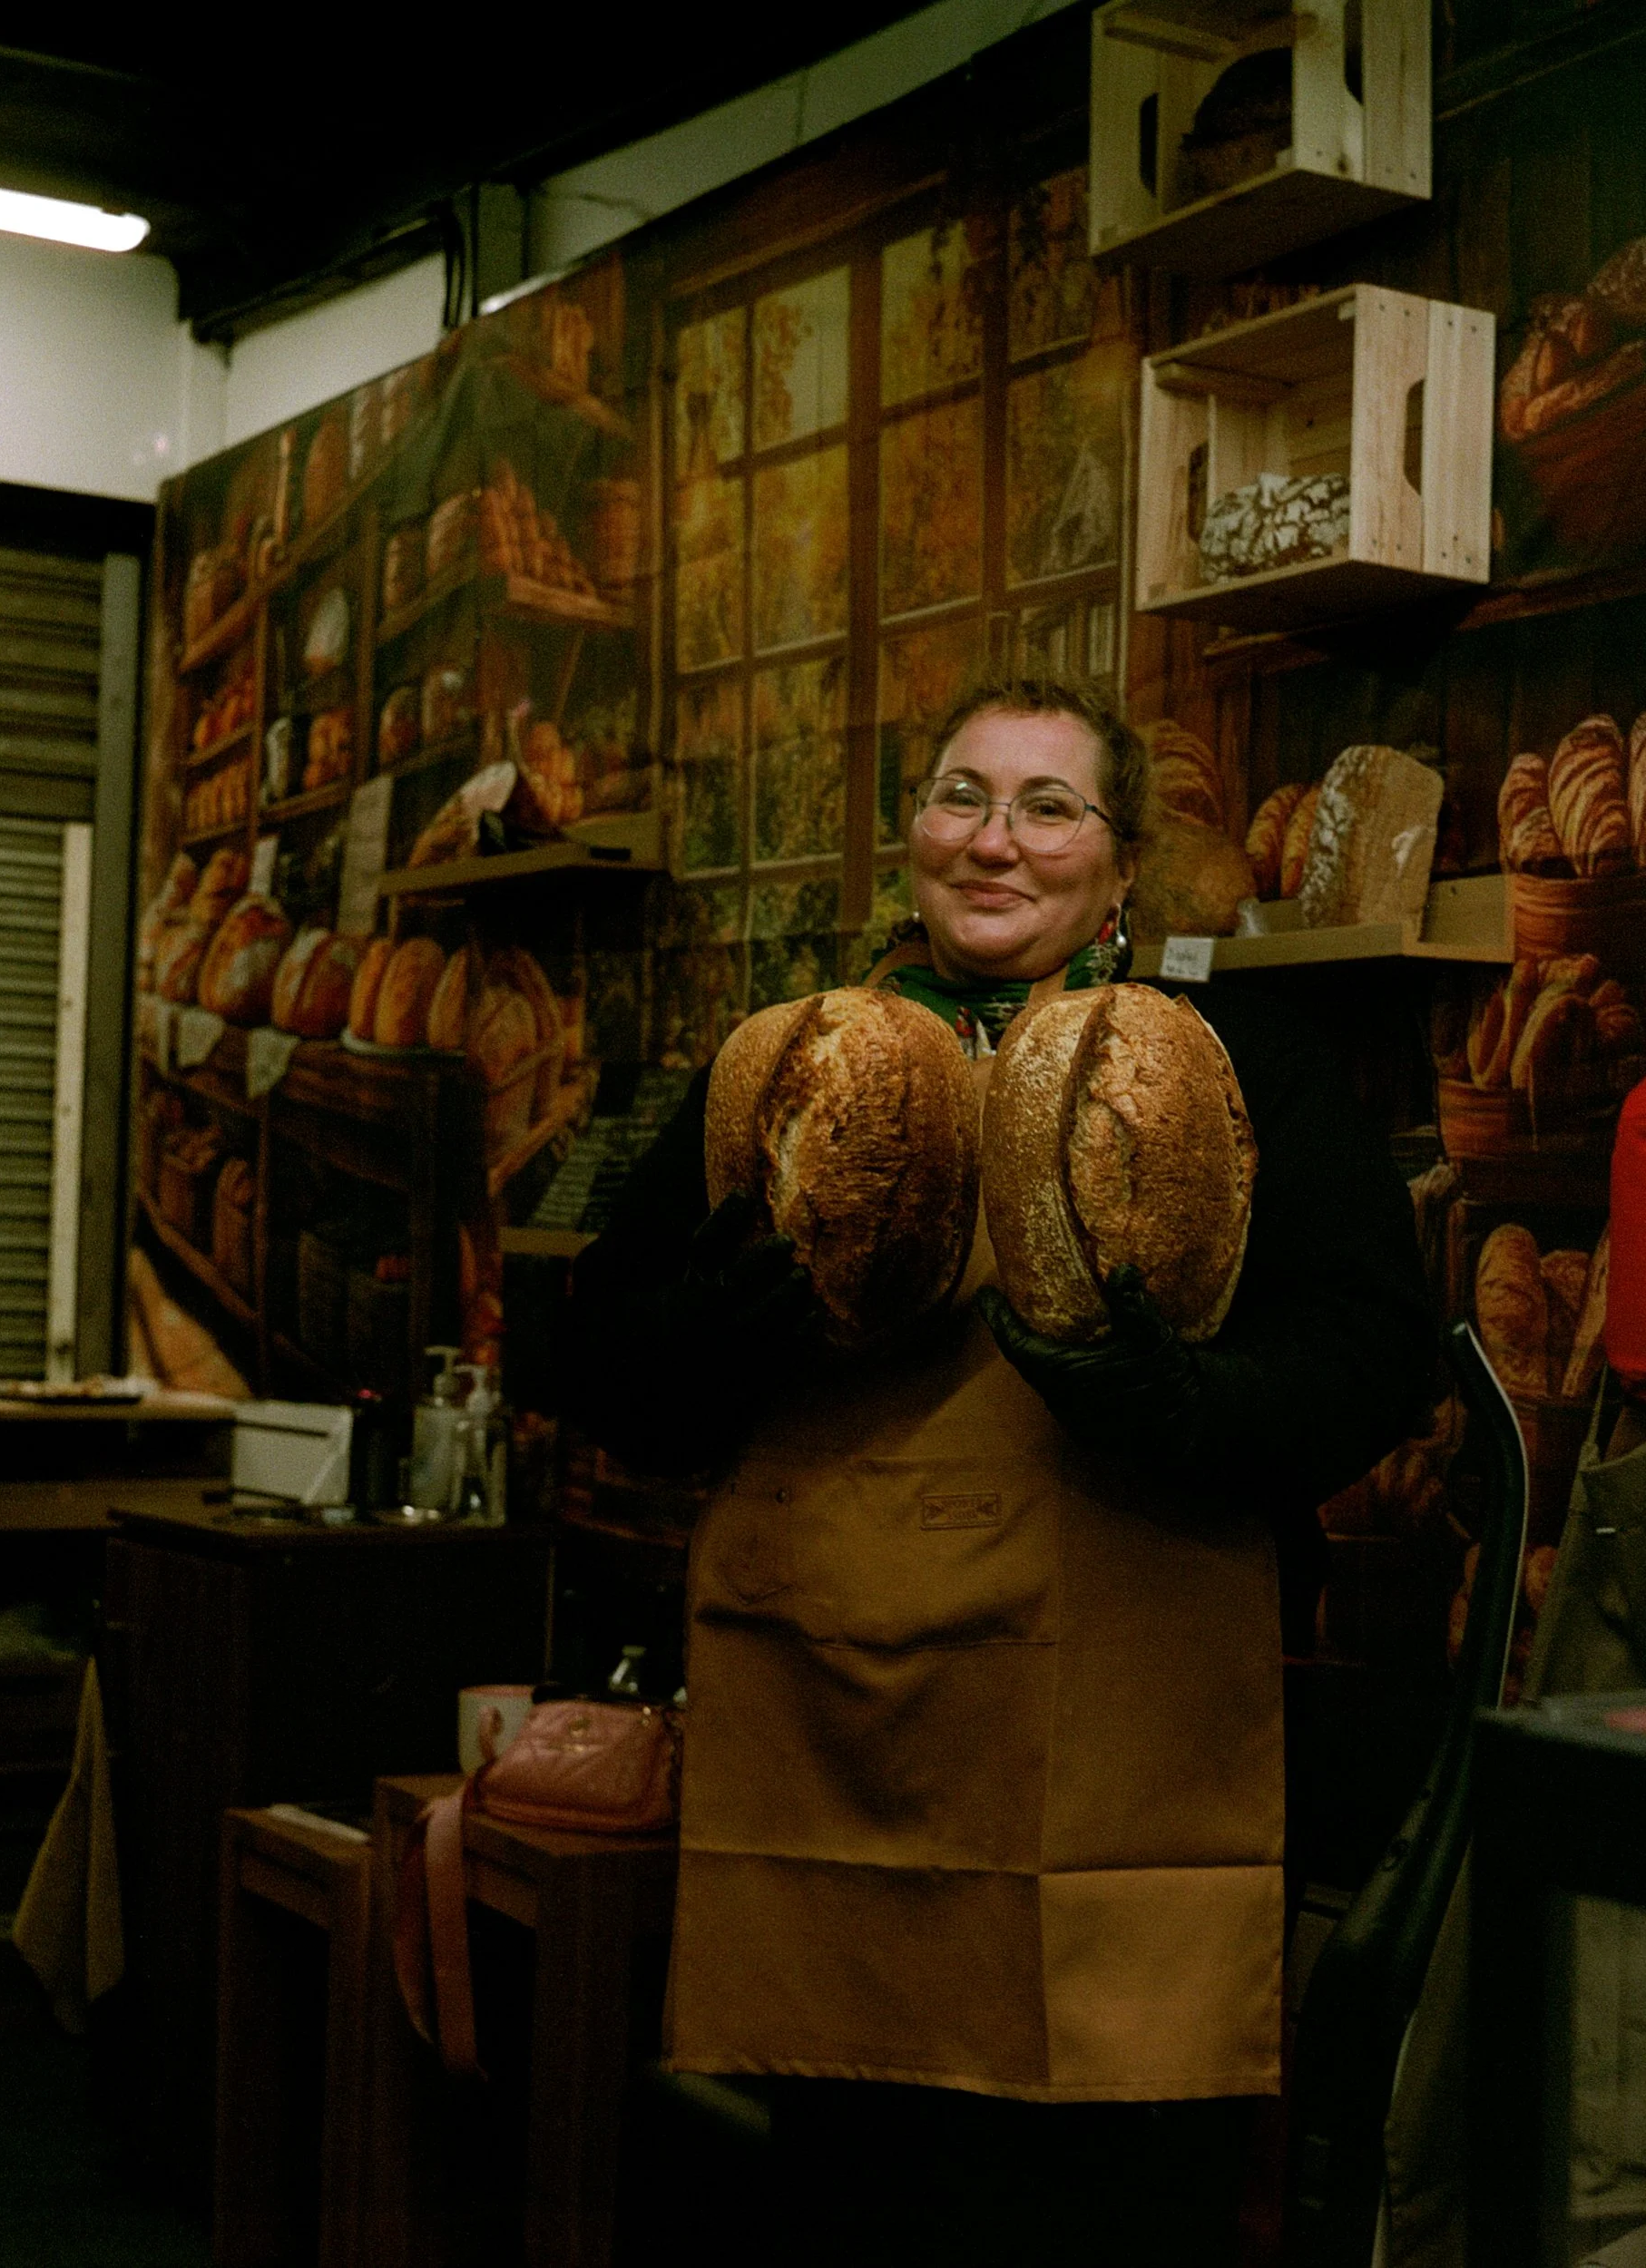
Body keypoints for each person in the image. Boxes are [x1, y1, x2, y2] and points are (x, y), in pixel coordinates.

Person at [563, 674, 1435, 2265]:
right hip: (836, 1740)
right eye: (962, 797)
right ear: (909, 835)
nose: (996, 842)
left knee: (1099, 2221)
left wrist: (1194, 1405)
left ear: (1120, 862)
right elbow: (599, 1364)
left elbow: (1381, 1346)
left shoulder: (1232, 1066)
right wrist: (708, 1329)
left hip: (1120, 1750)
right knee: (844, 2215)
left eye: (1049, 808)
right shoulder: (783, 1070)